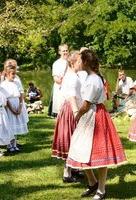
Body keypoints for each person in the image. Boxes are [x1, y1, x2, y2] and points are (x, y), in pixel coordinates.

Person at [67, 49, 127, 200]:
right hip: (90, 115)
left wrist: (77, 115)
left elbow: (86, 105)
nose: (78, 63)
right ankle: (93, 182)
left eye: (80, 60)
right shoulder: (90, 77)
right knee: (79, 147)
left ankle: (101, 189)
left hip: (95, 116)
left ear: (86, 62)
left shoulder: (94, 79)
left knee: (99, 152)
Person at [51, 50, 84, 183]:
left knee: (74, 140)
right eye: (80, 61)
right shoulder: (71, 77)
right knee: (72, 140)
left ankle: (73, 168)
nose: (82, 63)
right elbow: (71, 96)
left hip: (70, 109)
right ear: (74, 62)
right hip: (71, 109)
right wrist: (76, 113)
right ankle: (67, 173)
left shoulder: (73, 75)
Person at [0, 64, 29, 152]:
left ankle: (14, 144)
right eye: (12, 74)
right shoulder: (4, 85)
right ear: (7, 74)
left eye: (15, 74)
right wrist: (12, 109)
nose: (14, 76)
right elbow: (6, 99)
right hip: (10, 107)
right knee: (10, 126)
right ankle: (9, 145)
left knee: (15, 127)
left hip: (17, 104)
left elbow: (20, 95)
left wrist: (20, 107)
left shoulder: (16, 83)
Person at [49, 44, 69, 118]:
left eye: (67, 50)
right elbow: (56, 79)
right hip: (61, 89)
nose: (65, 52)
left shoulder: (71, 61)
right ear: (59, 52)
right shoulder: (56, 63)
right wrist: (66, 84)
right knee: (61, 110)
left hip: (70, 89)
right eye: (63, 51)